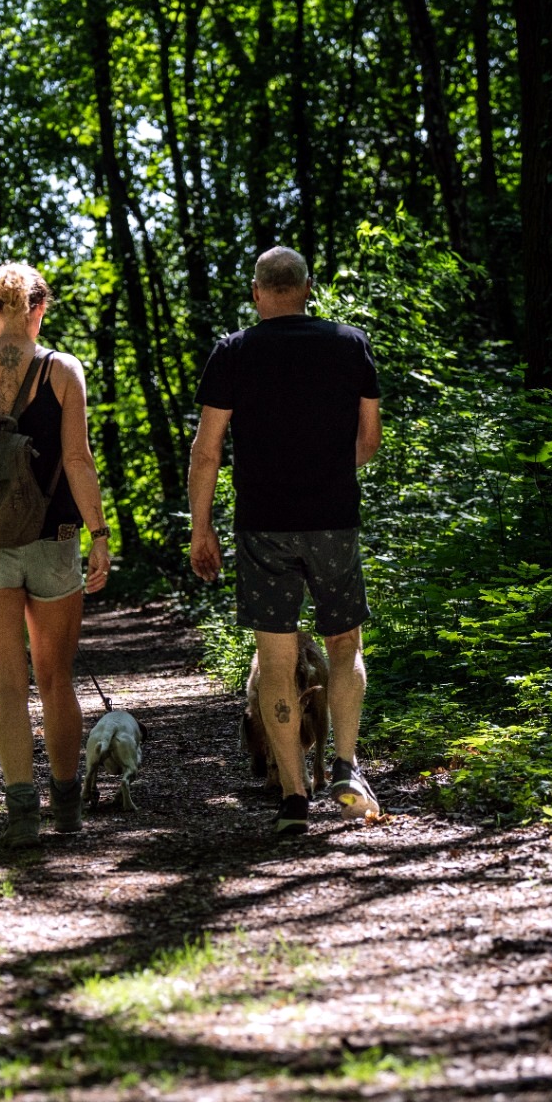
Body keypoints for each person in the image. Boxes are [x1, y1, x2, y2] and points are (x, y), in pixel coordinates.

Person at [188, 246, 382, 836]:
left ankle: (294, 797)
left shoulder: (233, 352)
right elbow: (369, 440)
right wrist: (328, 474)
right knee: (343, 642)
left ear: (257, 292)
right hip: (333, 520)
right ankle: (345, 768)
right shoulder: (349, 344)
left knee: (274, 660)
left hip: (262, 526)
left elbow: (206, 451)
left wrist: (201, 528)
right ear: (307, 288)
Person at [0, 263, 111, 846]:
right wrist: (99, 534)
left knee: (7, 684)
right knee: (56, 678)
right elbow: (78, 460)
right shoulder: (62, 370)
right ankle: (66, 806)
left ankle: (22, 815)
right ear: (40, 308)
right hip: (52, 537)